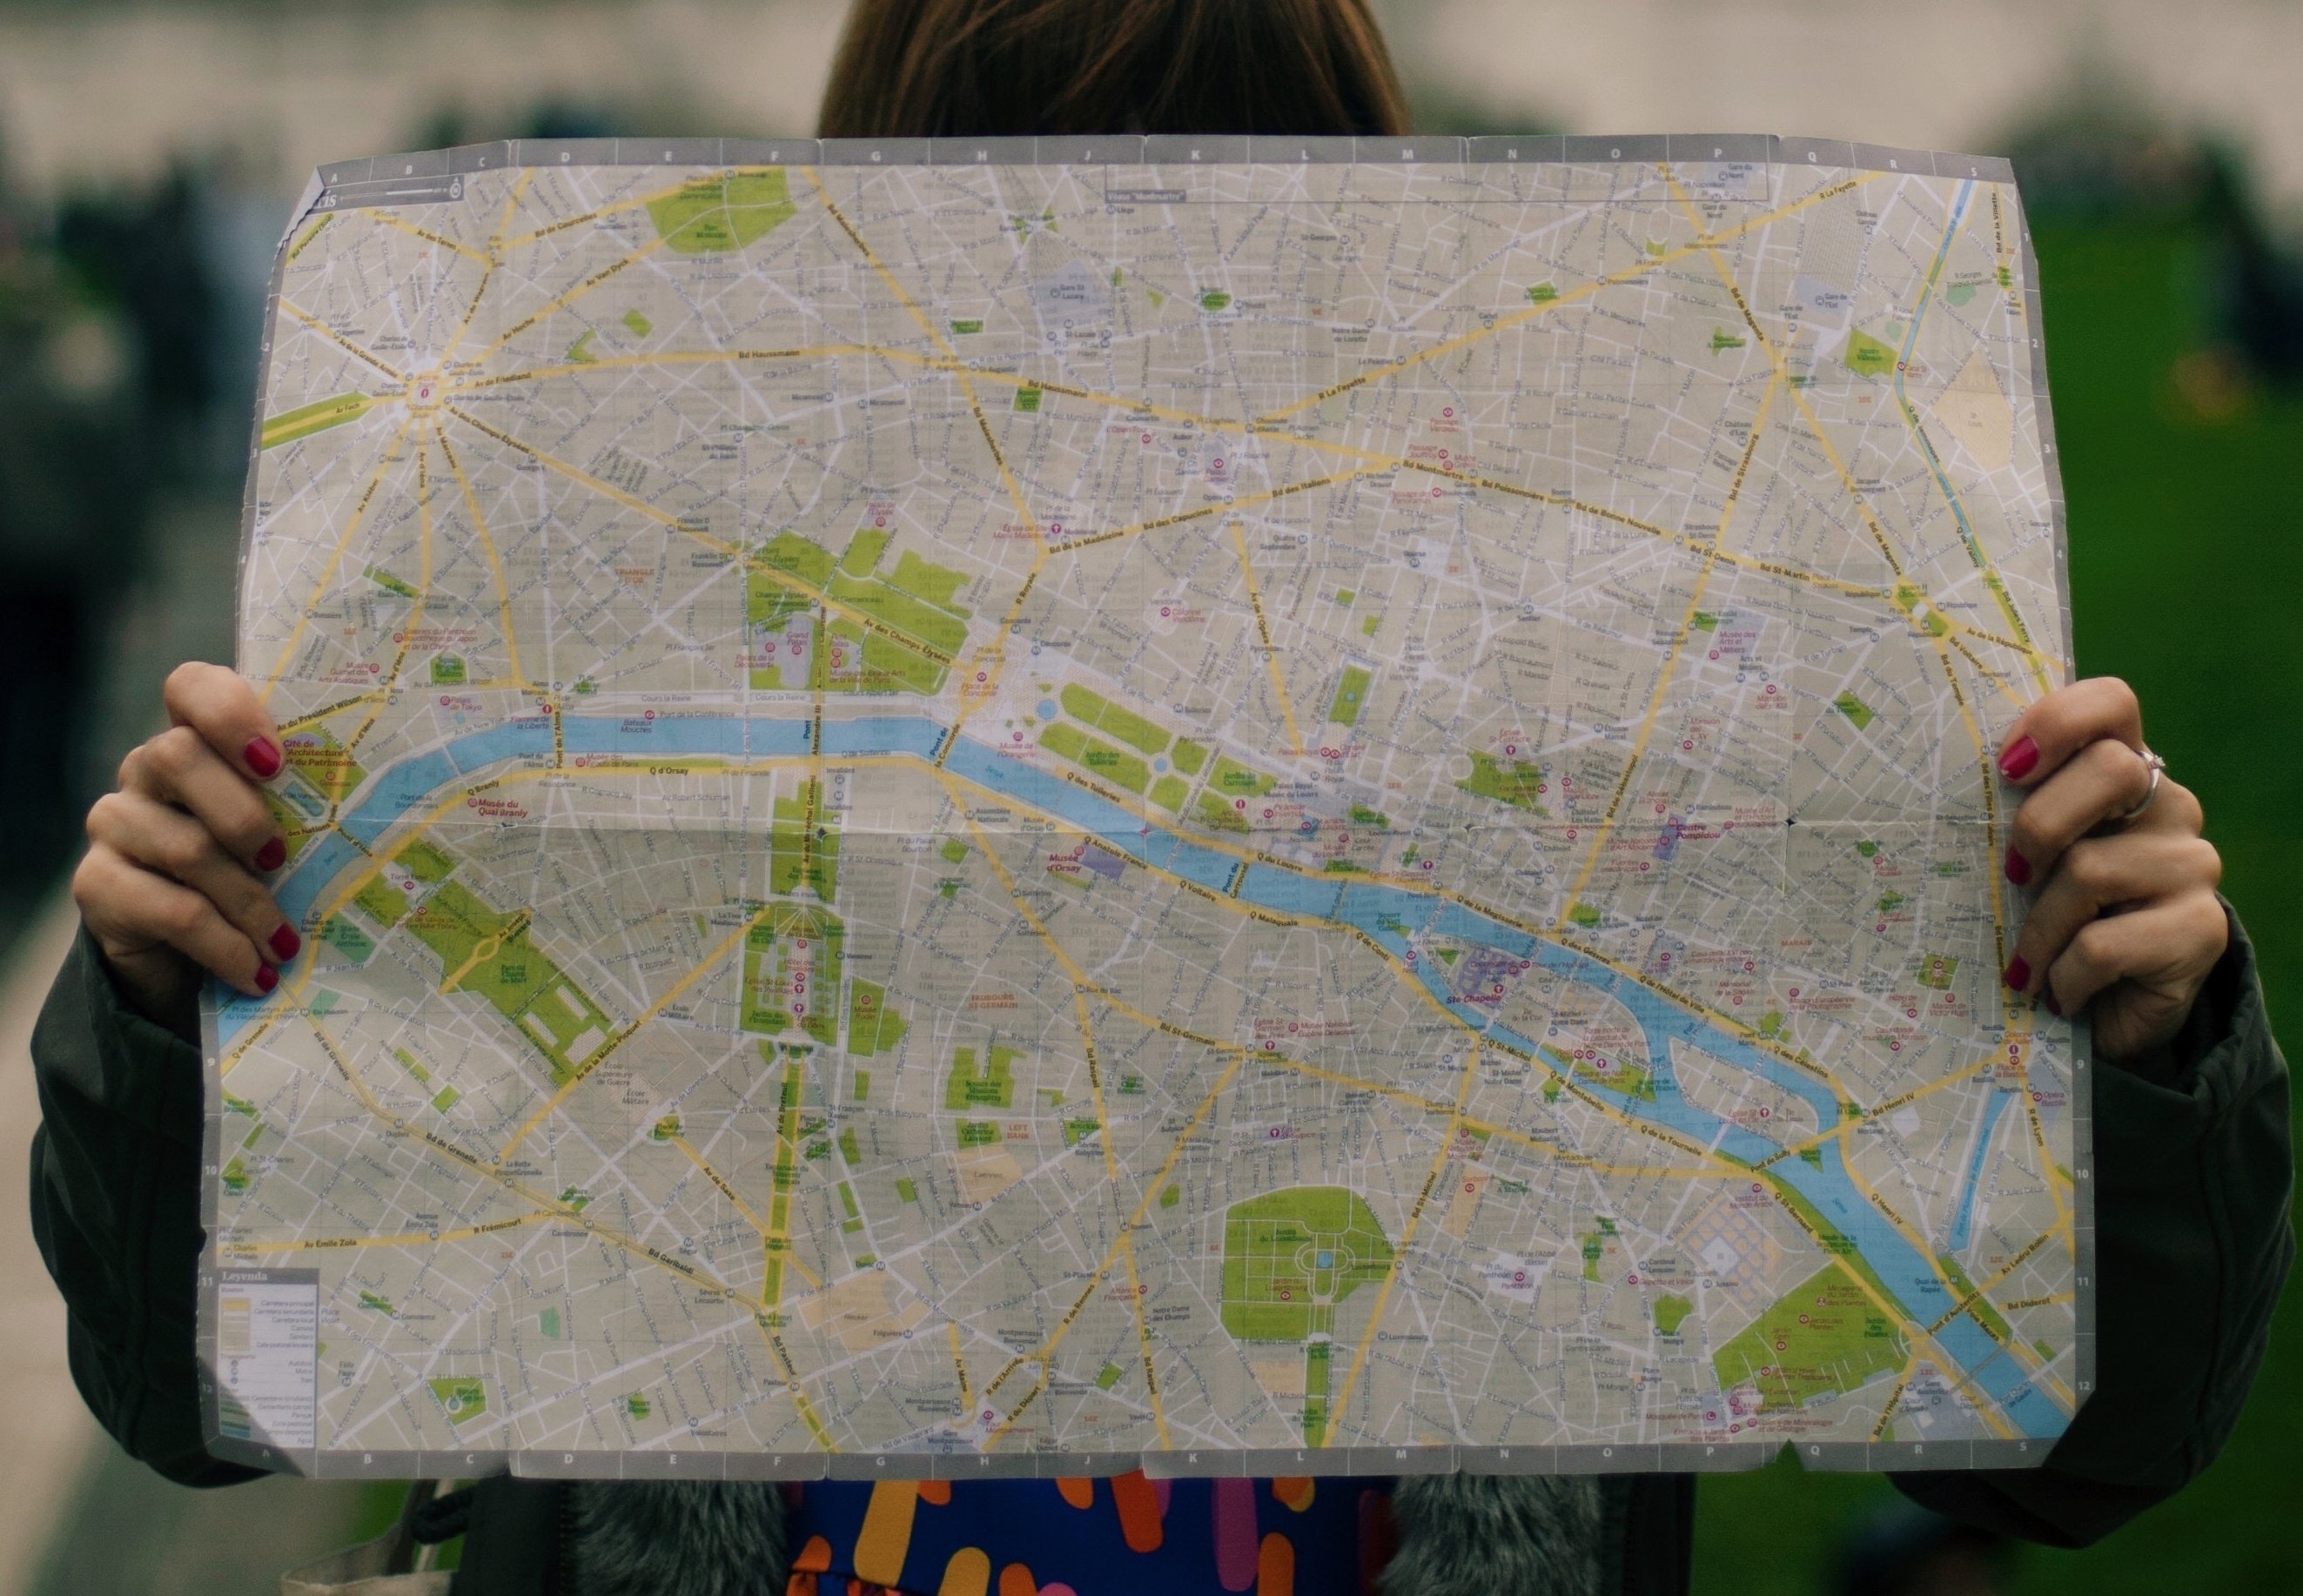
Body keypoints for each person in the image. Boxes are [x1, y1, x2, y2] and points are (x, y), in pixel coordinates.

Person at [30, 1, 2292, 1593]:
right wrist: (165, 1008)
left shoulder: (1565, 801)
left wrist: (2140, 1038)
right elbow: (203, 1387)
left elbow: (2090, 1436)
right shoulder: (641, 771)